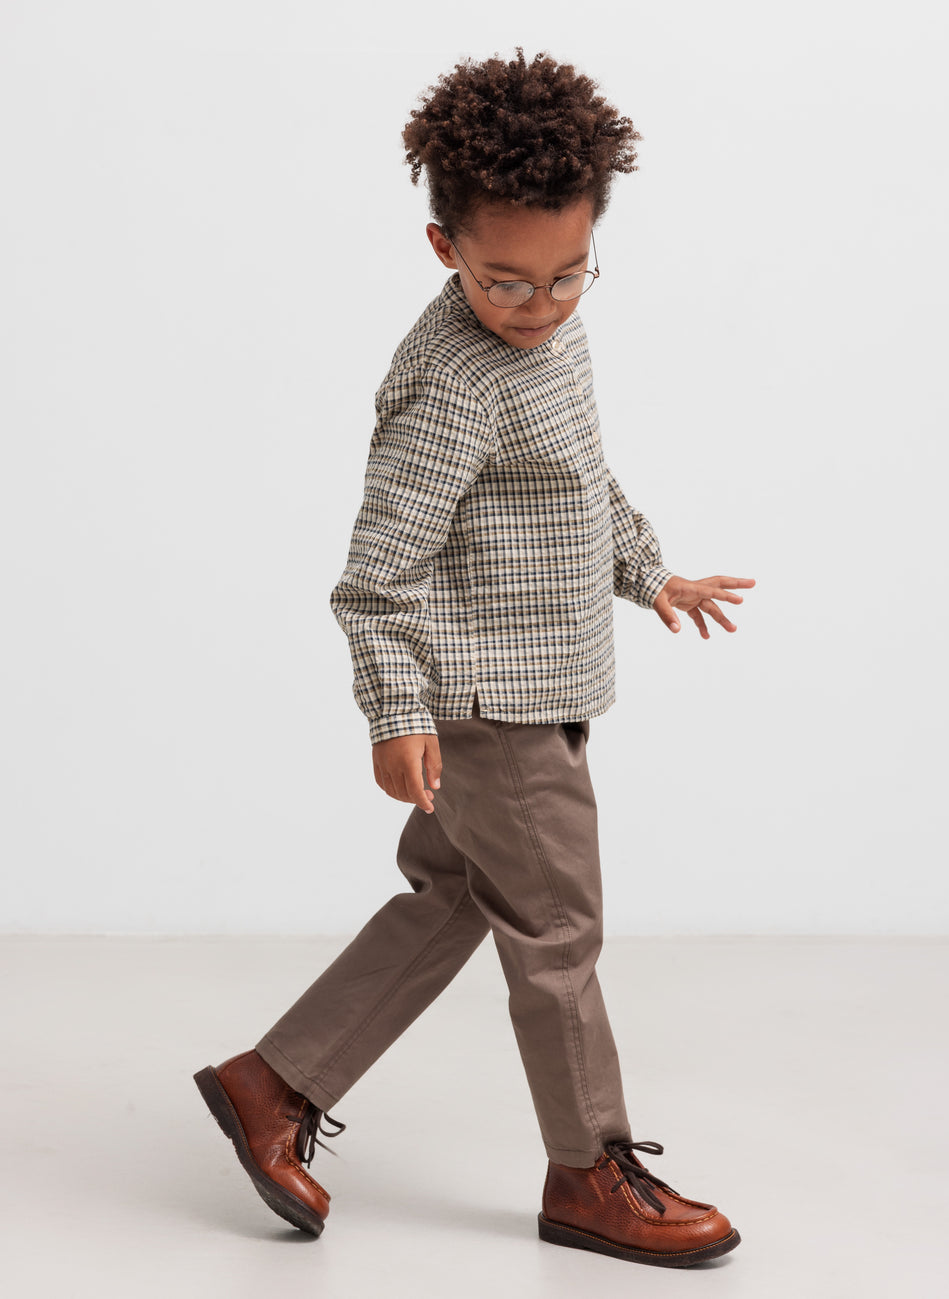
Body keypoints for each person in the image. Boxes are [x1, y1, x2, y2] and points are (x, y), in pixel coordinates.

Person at [194, 48, 754, 1269]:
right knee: (557, 934)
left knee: (452, 898)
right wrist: (395, 711)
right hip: (490, 706)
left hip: (548, 677)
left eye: (569, 274)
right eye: (506, 282)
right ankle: (588, 1173)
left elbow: (577, 480)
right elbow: (377, 574)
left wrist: (649, 571)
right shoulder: (447, 386)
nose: (541, 305)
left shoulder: (555, 338)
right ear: (441, 245)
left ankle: (270, 1083)